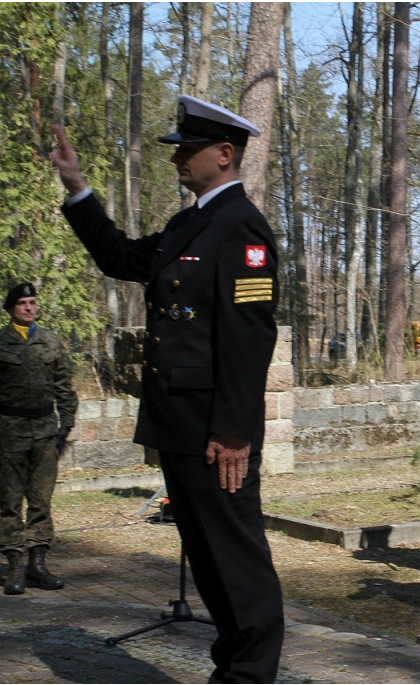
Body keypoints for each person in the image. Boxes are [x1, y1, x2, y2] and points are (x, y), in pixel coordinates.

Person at [50, 96, 284, 683]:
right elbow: (118, 256)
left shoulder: (242, 228)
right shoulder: (188, 223)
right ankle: (230, 669)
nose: (178, 158)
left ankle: (250, 674)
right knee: (207, 561)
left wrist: (234, 432)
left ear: (224, 154)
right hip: (179, 424)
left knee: (237, 561)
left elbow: (248, 340)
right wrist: (78, 189)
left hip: (214, 432)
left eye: (188, 148)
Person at [0, 283, 77, 596]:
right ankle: (15, 566)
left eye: (32, 302)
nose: (29, 308)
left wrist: (66, 423)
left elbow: (64, 386)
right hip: (9, 430)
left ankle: (38, 563)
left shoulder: (50, 340)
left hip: (45, 430)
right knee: (8, 501)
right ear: (11, 308)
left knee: (41, 500)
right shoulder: (1, 342)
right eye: (22, 303)